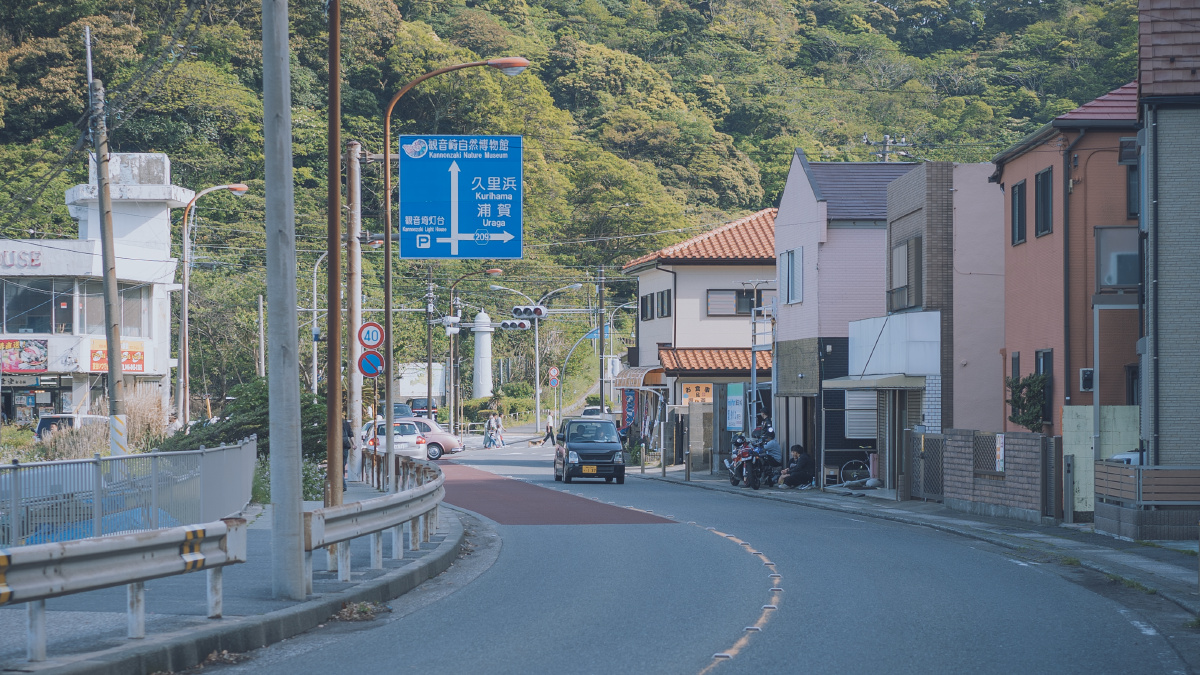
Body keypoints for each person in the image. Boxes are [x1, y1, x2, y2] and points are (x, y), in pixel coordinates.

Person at [341, 418, 353, 490]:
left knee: (338, 466)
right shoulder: (346, 423)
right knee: (342, 465)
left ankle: (343, 485)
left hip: (336, 447)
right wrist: (354, 444)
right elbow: (351, 434)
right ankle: (343, 484)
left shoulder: (332, 422)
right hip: (345, 446)